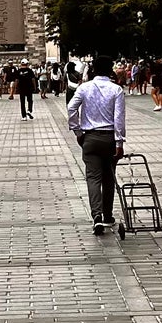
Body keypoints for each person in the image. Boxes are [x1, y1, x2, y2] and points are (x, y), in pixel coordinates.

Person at [67, 55, 126, 235]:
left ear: (93, 69)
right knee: (109, 178)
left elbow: (71, 108)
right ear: (110, 70)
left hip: (90, 138)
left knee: (93, 178)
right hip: (109, 138)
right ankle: (107, 215)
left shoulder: (84, 88)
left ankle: (97, 216)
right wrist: (119, 141)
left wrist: (77, 131)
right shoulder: (116, 90)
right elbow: (118, 119)